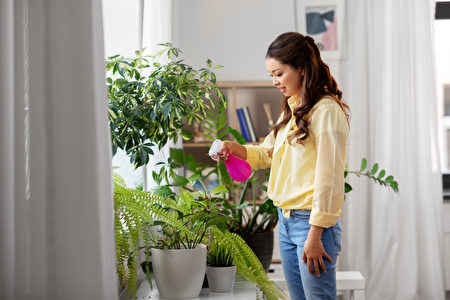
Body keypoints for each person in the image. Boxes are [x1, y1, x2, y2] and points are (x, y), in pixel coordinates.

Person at [211, 32, 350, 300]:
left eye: (279, 73)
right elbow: (266, 153)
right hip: (286, 223)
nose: (275, 82)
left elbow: (330, 178)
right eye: (271, 75)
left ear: (301, 68)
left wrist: (315, 234)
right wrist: (232, 148)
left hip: (311, 226)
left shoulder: (326, 111)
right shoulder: (293, 108)